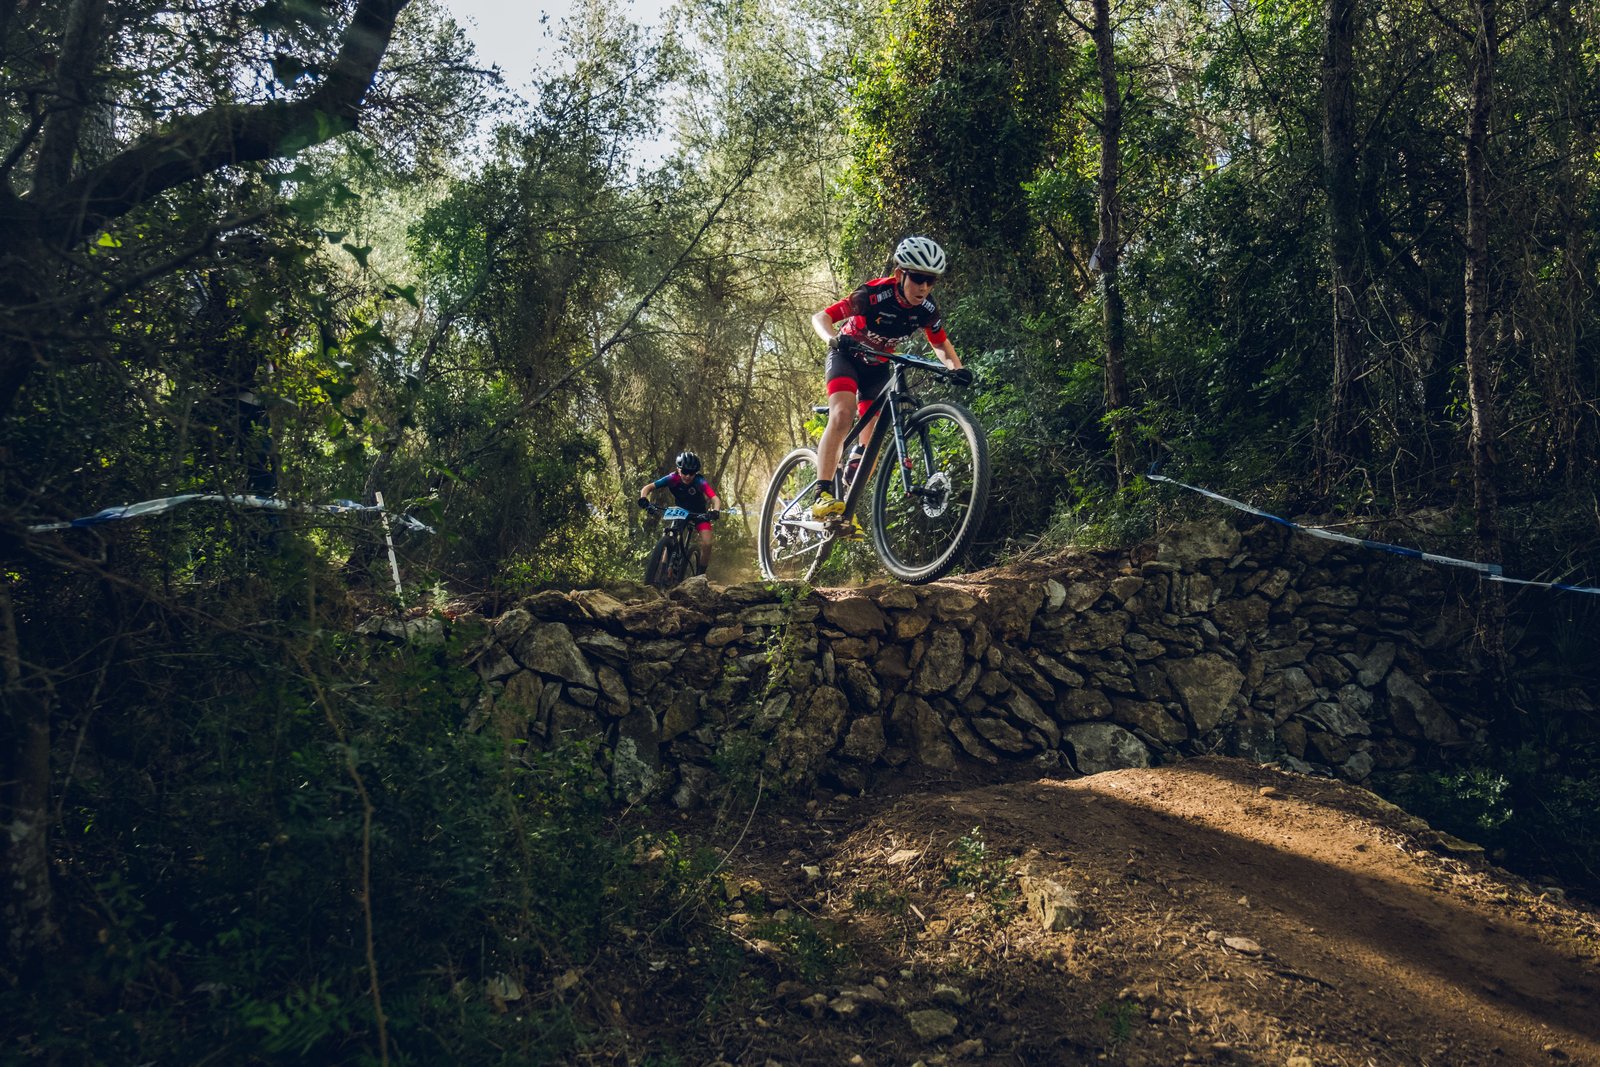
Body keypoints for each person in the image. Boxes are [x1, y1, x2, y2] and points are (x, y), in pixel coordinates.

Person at [808, 235, 970, 520]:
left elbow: (940, 344)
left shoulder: (926, 309)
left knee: (870, 447)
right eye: (917, 278)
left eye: (931, 281)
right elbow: (821, 317)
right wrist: (834, 339)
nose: (923, 287)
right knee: (843, 415)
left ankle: (843, 510)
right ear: (899, 274)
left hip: (878, 368)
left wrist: (956, 369)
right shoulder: (873, 294)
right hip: (846, 357)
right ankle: (821, 494)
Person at [637, 450, 719, 571]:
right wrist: (644, 499)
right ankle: (664, 570)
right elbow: (647, 488)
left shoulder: (699, 481)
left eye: (692, 473)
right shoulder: (673, 478)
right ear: (678, 469)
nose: (688, 476)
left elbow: (715, 498)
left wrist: (715, 511)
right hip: (681, 511)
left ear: (696, 473)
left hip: (699, 513)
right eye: (685, 472)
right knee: (671, 536)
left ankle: (701, 573)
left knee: (707, 543)